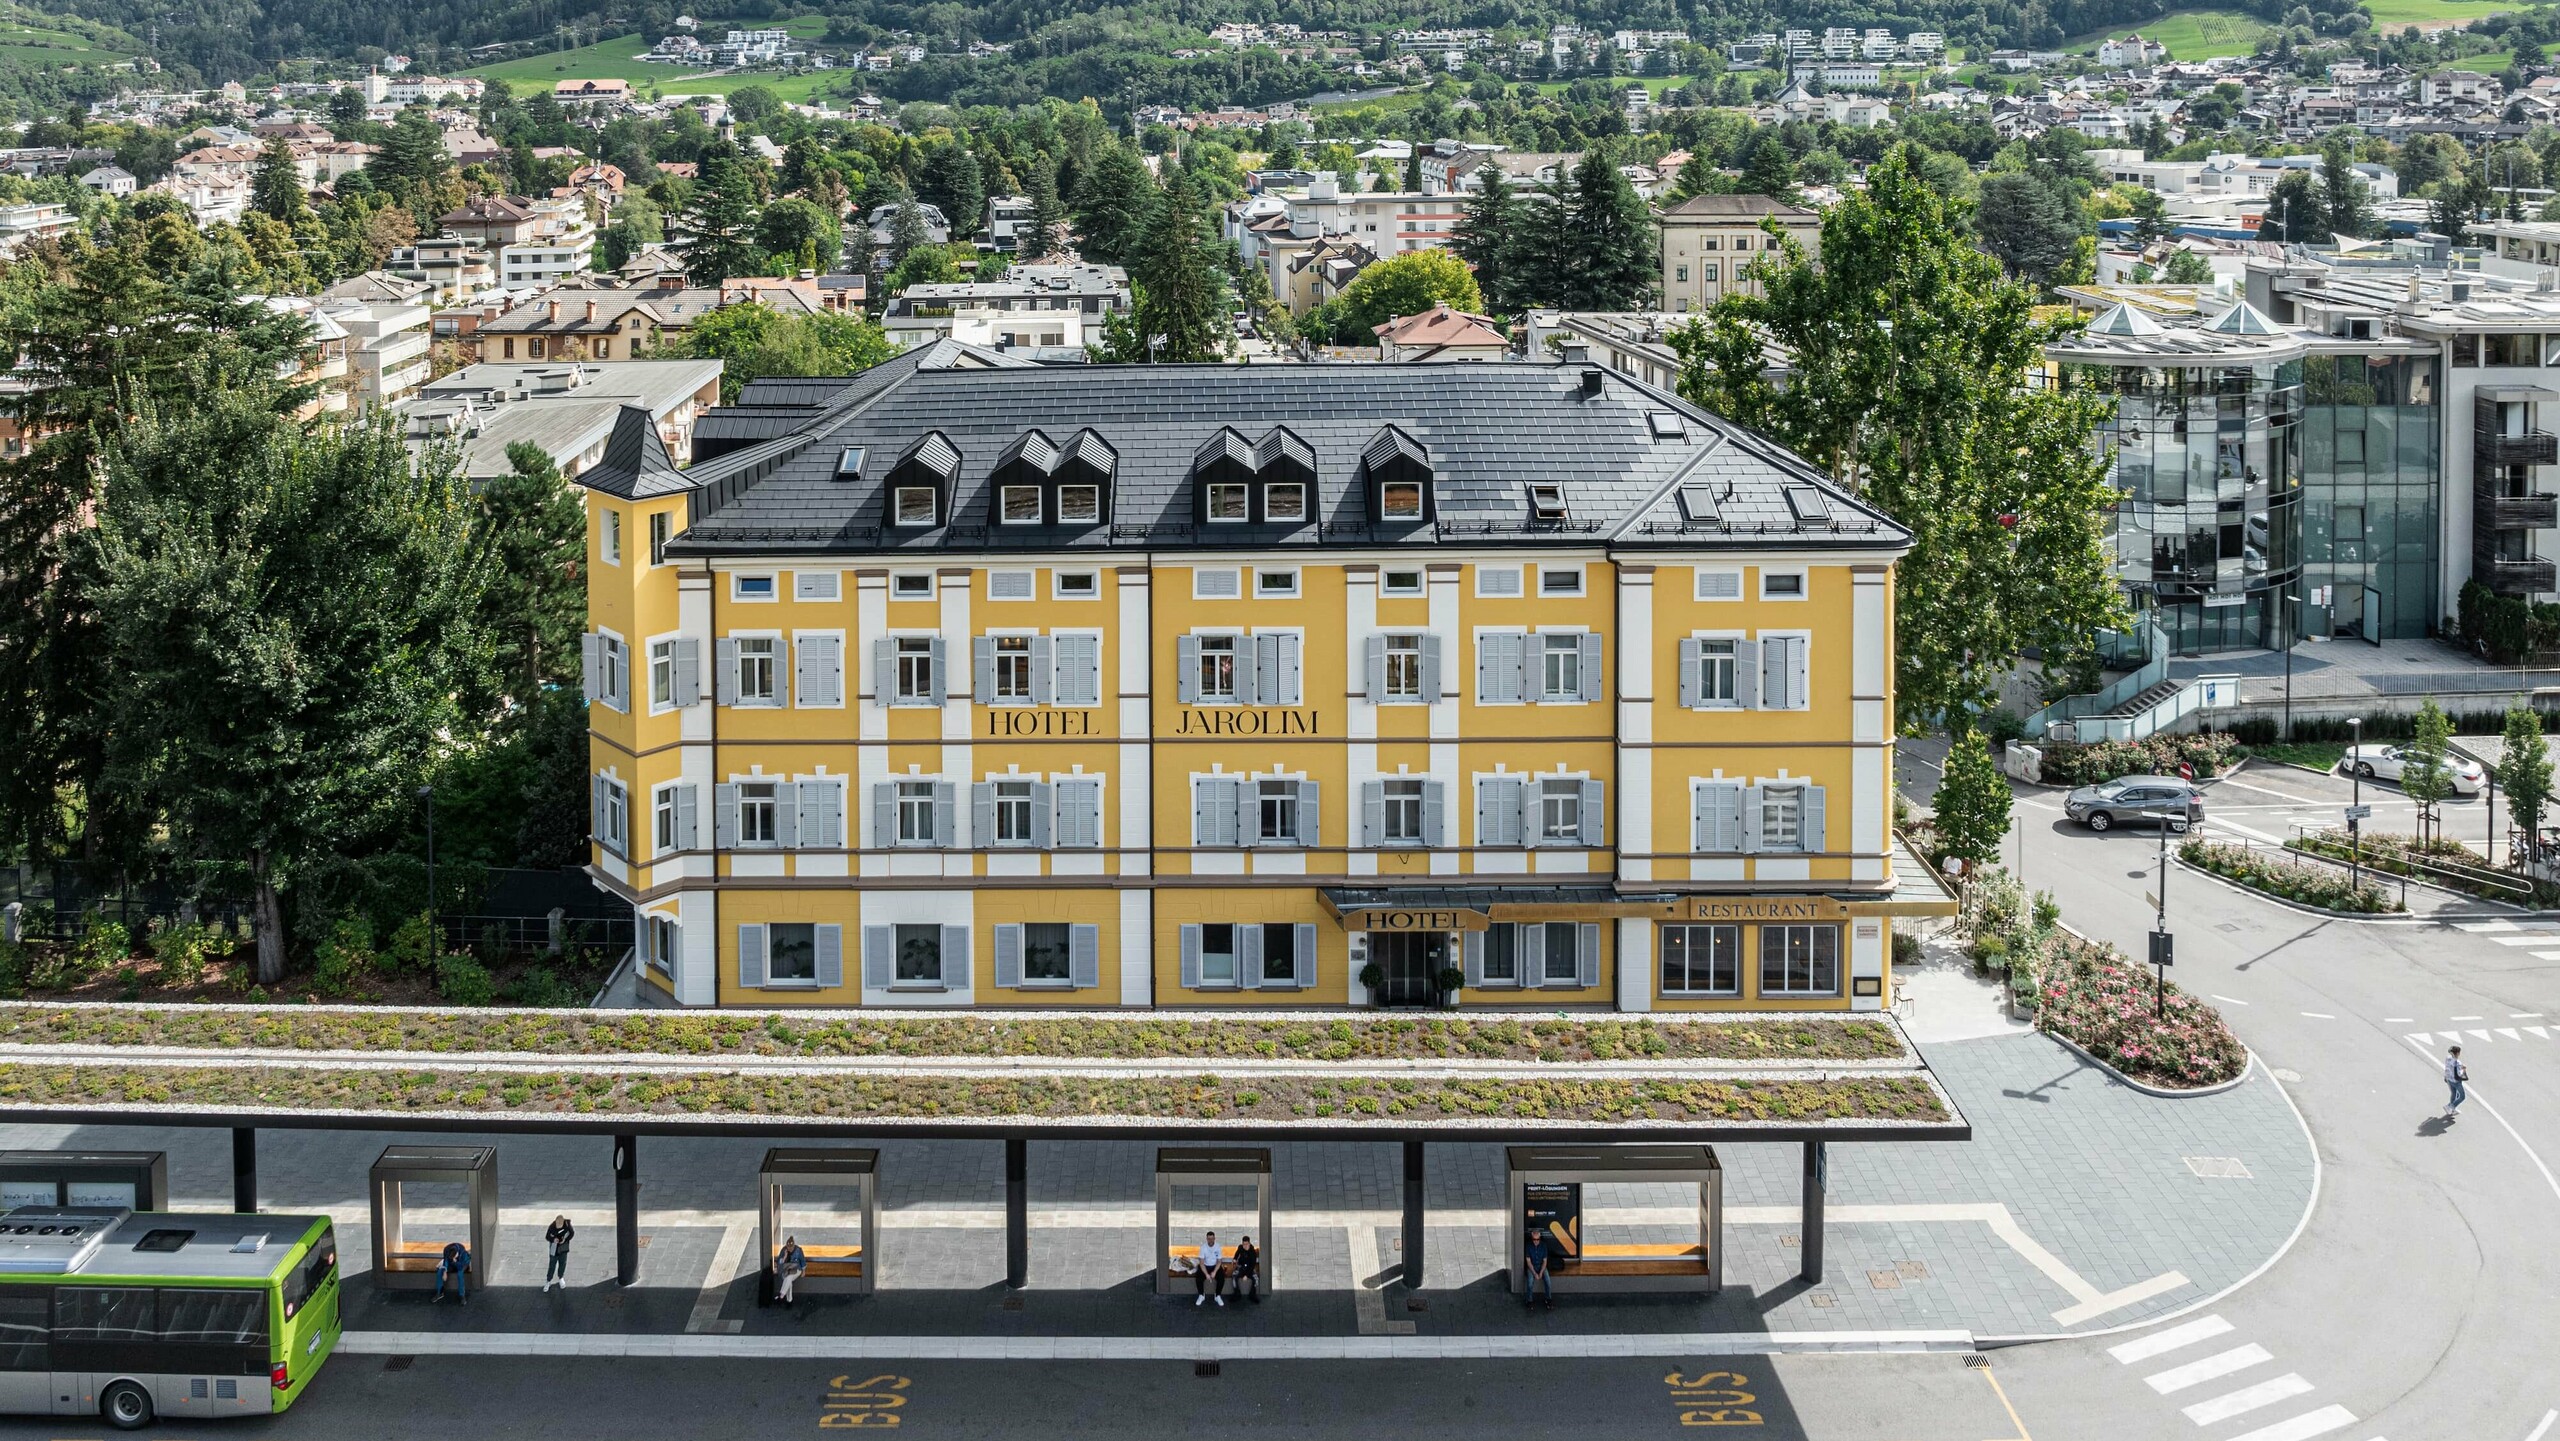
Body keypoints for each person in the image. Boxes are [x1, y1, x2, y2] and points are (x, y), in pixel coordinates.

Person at [1192, 1230, 1226, 1307]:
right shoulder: (1203, 1247)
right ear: (1206, 1239)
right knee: (1198, 1278)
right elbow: (1201, 1263)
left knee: (1221, 1278)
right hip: (1205, 1266)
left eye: (1212, 1239)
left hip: (1215, 1265)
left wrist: (1214, 1272)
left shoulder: (1218, 1247)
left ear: (1214, 1238)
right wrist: (1206, 1274)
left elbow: (1219, 1261)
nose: (1210, 1240)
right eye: (1209, 1239)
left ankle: (1217, 1295)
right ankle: (1201, 1295)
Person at [1522, 1227, 1553, 1310]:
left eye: (1537, 1239)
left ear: (1540, 1238)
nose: (1536, 1241)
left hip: (1541, 1265)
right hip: (1532, 1266)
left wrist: (1541, 1272)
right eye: (1534, 1239)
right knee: (1530, 1282)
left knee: (1548, 1281)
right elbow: (1528, 1262)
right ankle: (1529, 1300)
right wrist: (1535, 1273)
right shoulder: (1529, 1246)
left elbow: (1545, 1262)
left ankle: (1548, 1299)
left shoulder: (1543, 1246)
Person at [543, 1215, 574, 1292]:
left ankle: (561, 1277)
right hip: (554, 1248)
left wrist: (565, 1239)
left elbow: (572, 1233)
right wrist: (553, 1239)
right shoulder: (552, 1227)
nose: (558, 1226)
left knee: (562, 1263)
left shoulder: (567, 1225)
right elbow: (547, 1237)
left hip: (563, 1248)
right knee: (552, 1265)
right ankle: (548, 1280)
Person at [1229, 1234, 1261, 1303]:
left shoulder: (1253, 1252)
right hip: (1241, 1267)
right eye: (1244, 1244)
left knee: (1256, 1279)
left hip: (1249, 1269)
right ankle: (1237, 1293)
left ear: (1249, 1243)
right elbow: (1237, 1253)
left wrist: (1246, 1275)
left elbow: (1252, 1265)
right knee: (1234, 1276)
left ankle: (1252, 1295)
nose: (1245, 1246)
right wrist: (1234, 1259)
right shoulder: (1240, 1247)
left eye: (1246, 1244)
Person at [776, 1236, 807, 1306]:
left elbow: (802, 1261)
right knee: (788, 1281)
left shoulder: (798, 1250)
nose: (790, 1249)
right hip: (786, 1269)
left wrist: (803, 1271)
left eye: (791, 1247)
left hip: (796, 1269)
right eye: (788, 1247)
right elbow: (779, 1262)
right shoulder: (784, 1250)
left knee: (788, 1278)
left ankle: (781, 1296)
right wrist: (784, 1257)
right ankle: (789, 1300)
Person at [2444, 1044, 2469, 1122]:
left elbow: (2448, 1068)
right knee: (2462, 1096)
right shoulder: (2457, 1062)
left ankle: (2451, 1110)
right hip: (2456, 1081)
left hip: (2449, 1079)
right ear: (2457, 1053)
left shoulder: (2448, 1058)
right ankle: (2451, 1106)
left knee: (2454, 1093)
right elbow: (2459, 1074)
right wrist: (2464, 1069)